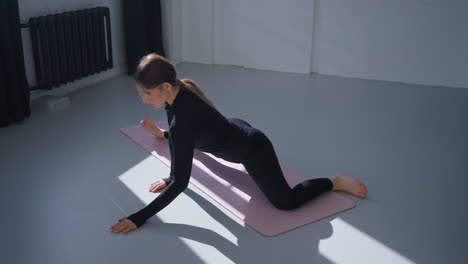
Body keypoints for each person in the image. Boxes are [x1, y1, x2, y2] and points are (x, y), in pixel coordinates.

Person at [110, 53, 368, 234]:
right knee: (188, 140)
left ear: (165, 86)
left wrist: (140, 217)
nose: (144, 100)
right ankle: (159, 133)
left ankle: (334, 181)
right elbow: (181, 145)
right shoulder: (177, 93)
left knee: (286, 203)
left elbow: (182, 184)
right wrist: (170, 175)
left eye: (147, 93)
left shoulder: (181, 120)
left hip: (252, 148)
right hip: (226, 128)